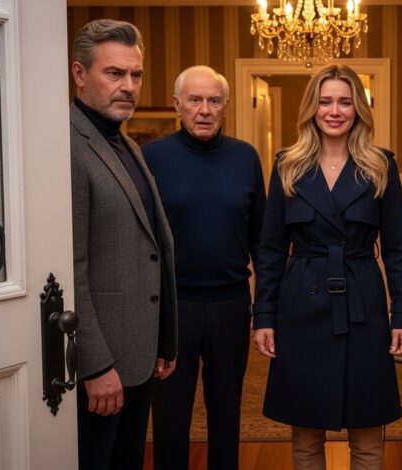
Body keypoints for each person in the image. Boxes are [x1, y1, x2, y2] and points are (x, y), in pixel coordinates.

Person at [252, 64, 402, 470]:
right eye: (325, 101)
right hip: (301, 306)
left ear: (359, 108)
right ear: (312, 107)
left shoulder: (380, 165)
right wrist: (263, 315)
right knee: (306, 433)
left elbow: (397, 249)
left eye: (345, 101)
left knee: (368, 430)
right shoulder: (287, 165)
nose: (335, 111)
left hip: (363, 304)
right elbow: (271, 250)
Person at [143, 65, 266, 470]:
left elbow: (261, 240)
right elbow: (141, 239)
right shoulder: (152, 157)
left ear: (226, 106)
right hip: (173, 306)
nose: (204, 109)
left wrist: (265, 309)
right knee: (170, 414)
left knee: (227, 411)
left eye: (214, 100)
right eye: (194, 100)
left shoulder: (245, 157)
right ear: (177, 105)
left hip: (231, 304)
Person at [69, 19, 178, 470]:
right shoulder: (68, 145)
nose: (129, 86)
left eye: (136, 75)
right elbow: (70, 267)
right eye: (114, 73)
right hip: (102, 368)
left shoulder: (126, 144)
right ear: (80, 74)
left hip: (136, 355)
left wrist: (164, 338)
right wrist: (95, 365)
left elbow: (150, 248)